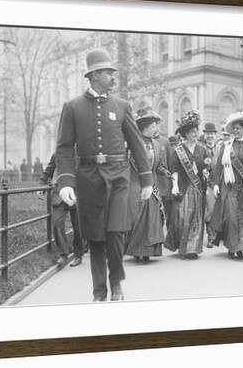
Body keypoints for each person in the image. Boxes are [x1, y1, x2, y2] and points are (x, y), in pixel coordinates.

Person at [55, 48, 153, 302]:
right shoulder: (72, 107)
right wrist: (65, 181)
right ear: (95, 75)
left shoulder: (122, 106)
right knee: (96, 237)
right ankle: (99, 291)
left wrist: (146, 179)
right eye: (109, 72)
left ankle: (116, 284)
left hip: (119, 177)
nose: (113, 77)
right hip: (88, 179)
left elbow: (137, 143)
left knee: (116, 233)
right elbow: (64, 148)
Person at [210, 112, 243, 260]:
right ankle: (232, 247)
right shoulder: (226, 147)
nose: (236, 131)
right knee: (231, 217)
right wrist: (215, 184)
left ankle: (242, 247)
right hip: (230, 187)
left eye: (238, 128)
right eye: (234, 128)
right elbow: (218, 166)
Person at [126, 107, 171, 261]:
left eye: (156, 126)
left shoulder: (157, 145)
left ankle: (149, 252)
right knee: (137, 218)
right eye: (153, 126)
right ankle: (137, 251)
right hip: (136, 185)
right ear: (144, 126)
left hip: (153, 186)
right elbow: (130, 164)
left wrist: (165, 172)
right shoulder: (133, 143)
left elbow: (158, 165)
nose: (156, 129)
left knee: (152, 219)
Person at [164, 110, 209, 259]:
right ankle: (183, 248)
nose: (195, 133)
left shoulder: (203, 149)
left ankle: (193, 248)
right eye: (192, 131)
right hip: (183, 186)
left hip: (197, 189)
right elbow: (174, 169)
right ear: (186, 134)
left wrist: (206, 173)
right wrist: (175, 186)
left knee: (196, 218)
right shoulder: (178, 150)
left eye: (196, 130)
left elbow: (207, 167)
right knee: (182, 217)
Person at [39, 154, 85, 267]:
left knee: (78, 226)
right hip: (59, 194)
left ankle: (78, 254)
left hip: (78, 193)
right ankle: (63, 254)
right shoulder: (58, 152)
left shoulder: (84, 151)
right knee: (57, 224)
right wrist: (42, 185)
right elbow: (48, 171)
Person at [200, 122, 218, 248]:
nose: (210, 136)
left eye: (212, 133)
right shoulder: (201, 148)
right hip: (206, 184)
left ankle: (218, 235)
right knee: (209, 211)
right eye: (208, 134)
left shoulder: (220, 148)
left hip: (219, 184)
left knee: (218, 210)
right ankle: (211, 237)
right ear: (204, 135)